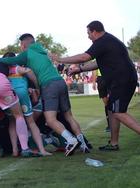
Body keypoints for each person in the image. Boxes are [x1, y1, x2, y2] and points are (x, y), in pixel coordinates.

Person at [52, 20, 139, 151]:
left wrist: (60, 59)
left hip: (122, 80)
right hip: (122, 79)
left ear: (94, 31)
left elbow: (83, 57)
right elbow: (97, 63)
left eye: (88, 33)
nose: (88, 36)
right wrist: (79, 69)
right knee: (112, 109)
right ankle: (113, 143)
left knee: (119, 112)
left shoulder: (102, 41)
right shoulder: (107, 41)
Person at [0, 33, 89, 156]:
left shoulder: (27, 53)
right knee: (69, 116)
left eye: (21, 45)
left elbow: (11, 60)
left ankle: (71, 140)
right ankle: (82, 143)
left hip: (48, 84)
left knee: (50, 120)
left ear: (23, 45)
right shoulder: (43, 51)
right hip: (60, 82)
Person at [3, 52, 52, 156]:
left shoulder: (4, 70)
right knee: (31, 122)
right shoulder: (17, 67)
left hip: (9, 96)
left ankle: (15, 150)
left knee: (12, 122)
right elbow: (29, 71)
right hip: (22, 94)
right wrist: (37, 86)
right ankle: (42, 150)